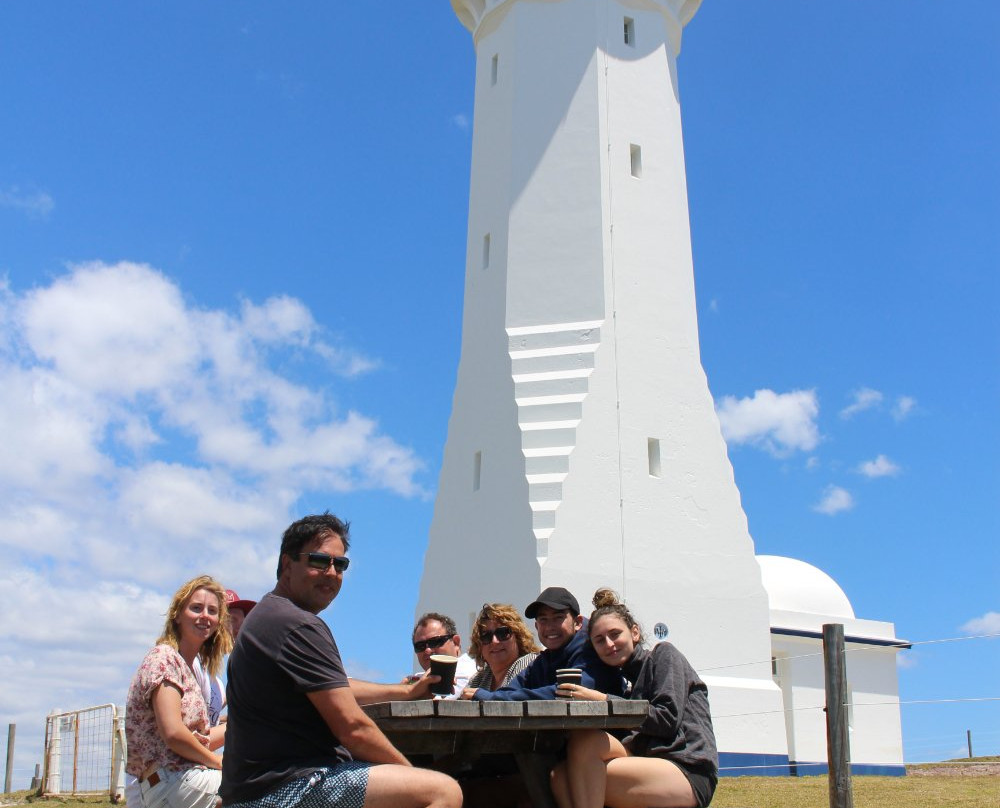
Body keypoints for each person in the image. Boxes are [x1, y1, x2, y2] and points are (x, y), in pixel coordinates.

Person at [220, 512, 461, 808]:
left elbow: (334, 686)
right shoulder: (297, 625)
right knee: (442, 792)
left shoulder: (270, 615)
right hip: (286, 788)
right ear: (287, 564)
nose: (332, 572)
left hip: (256, 788)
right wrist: (407, 776)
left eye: (340, 564)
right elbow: (353, 727)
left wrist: (406, 692)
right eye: (320, 561)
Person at [551, 589, 718, 808]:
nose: (609, 644)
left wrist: (601, 699)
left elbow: (666, 720)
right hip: (648, 763)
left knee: (581, 776)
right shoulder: (626, 683)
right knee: (561, 774)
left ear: (635, 633)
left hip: (686, 768)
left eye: (615, 634)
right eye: (599, 640)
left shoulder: (663, 655)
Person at [125, 575, 232, 808]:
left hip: (180, 779)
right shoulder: (164, 658)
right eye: (196, 608)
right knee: (267, 784)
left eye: (212, 611)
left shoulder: (189, 669)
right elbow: (173, 733)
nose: (205, 615)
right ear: (177, 614)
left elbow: (198, 740)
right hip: (171, 780)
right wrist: (219, 762)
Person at [465, 587, 624, 701]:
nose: (549, 627)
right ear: (536, 626)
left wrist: (491, 698)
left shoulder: (590, 650)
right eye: (543, 619)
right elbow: (512, 689)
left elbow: (567, 691)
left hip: (609, 739)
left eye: (558, 617)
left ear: (578, 622)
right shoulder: (543, 661)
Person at [464, 603, 540, 692]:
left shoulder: (529, 664)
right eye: (486, 636)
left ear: (518, 637)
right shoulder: (480, 678)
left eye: (502, 633)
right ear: (479, 645)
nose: (494, 641)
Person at [410, 613, 478, 698]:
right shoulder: (415, 681)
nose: (427, 650)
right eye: (420, 646)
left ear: (456, 642)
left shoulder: (474, 674)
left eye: (435, 642)